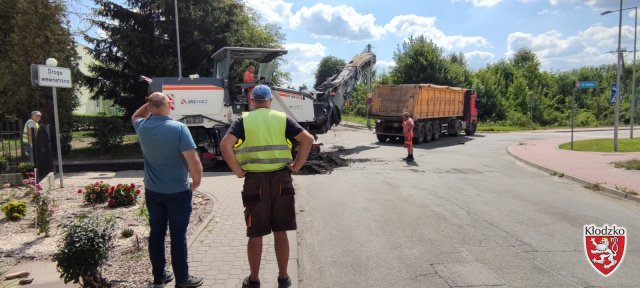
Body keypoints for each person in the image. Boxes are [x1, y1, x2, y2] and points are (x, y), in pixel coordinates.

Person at [220, 85, 314, 288]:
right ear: (270, 101)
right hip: (282, 179)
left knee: (256, 233)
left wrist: (237, 171)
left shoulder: (243, 120)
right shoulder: (282, 118)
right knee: (281, 231)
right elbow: (308, 140)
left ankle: (254, 280)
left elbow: (225, 145)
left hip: (255, 181)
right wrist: (296, 166)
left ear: (252, 101)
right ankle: (283, 278)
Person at [131, 92, 204, 288]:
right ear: (168, 105)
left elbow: (135, 116)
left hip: (153, 192)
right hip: (178, 192)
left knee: (157, 233)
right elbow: (193, 161)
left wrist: (148, 102)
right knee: (178, 235)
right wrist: (196, 182)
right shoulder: (179, 129)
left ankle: (159, 277)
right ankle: (182, 279)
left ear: (150, 106)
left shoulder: (142, 127)